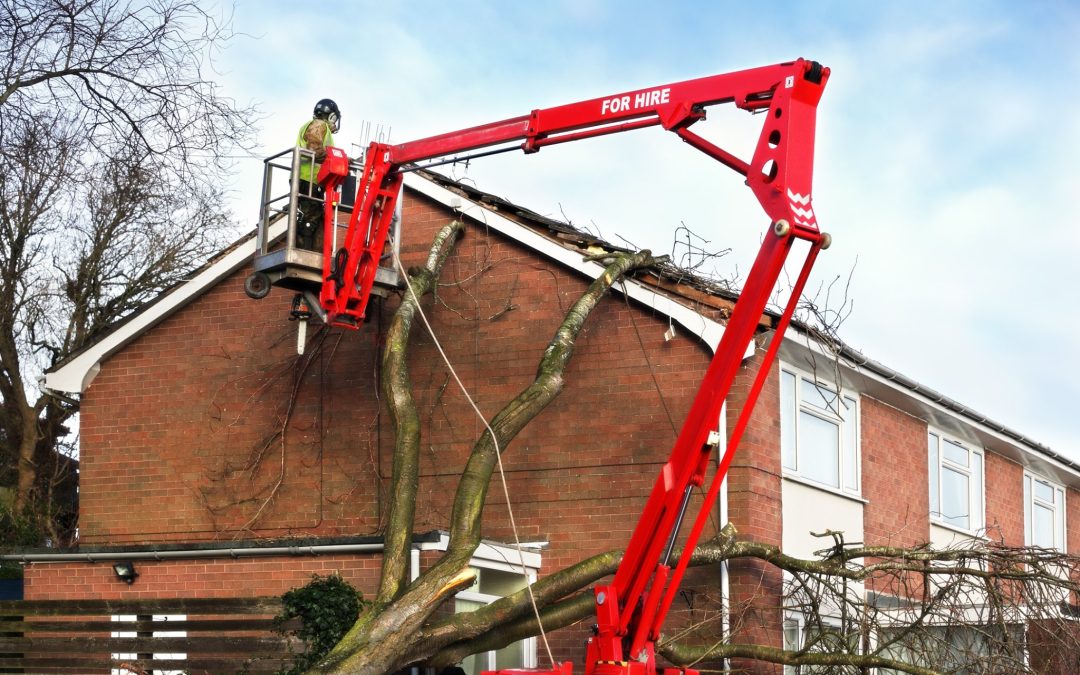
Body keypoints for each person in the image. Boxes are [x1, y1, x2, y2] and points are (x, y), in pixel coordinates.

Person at [295, 98, 341, 251]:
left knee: (317, 218)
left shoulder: (312, 125)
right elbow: (314, 148)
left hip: (308, 179)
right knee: (309, 218)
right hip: (309, 179)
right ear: (332, 116)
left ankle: (314, 252)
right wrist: (335, 159)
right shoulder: (319, 125)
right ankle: (303, 250)